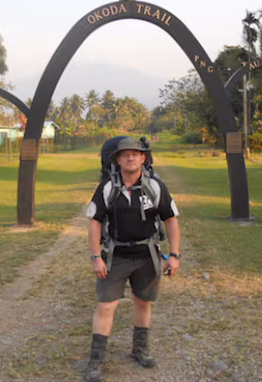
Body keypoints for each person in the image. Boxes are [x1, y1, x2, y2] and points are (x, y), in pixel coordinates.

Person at [85, 137, 181, 382]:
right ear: (117, 159)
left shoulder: (155, 186)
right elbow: (95, 223)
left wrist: (174, 255)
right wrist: (95, 257)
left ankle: (140, 350)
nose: (130, 158)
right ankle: (96, 360)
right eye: (125, 154)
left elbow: (170, 220)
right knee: (106, 306)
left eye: (135, 154)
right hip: (115, 255)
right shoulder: (107, 188)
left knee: (142, 302)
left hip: (146, 255)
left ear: (143, 158)